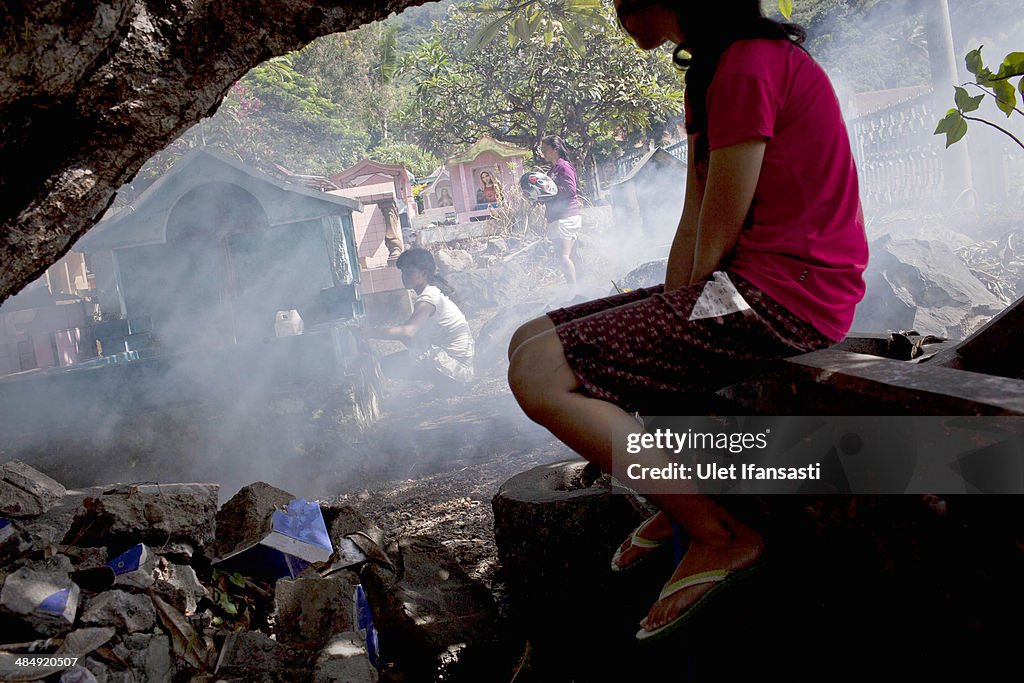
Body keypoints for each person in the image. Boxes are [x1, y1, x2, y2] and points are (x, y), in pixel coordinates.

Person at [507, 0, 868, 642]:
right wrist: (671, 306)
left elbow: (721, 228)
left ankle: (717, 532)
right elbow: (696, 206)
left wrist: (680, 305)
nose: (617, 11)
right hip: (748, 286)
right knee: (527, 340)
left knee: (539, 374)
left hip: (788, 297)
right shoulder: (715, 69)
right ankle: (687, 494)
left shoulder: (748, 66)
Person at [360, 249, 474, 394]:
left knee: (389, 365)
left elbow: (408, 331)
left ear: (424, 274)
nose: (404, 277)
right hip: (460, 365)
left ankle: (449, 385)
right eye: (403, 272)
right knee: (410, 342)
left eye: (410, 272)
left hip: (458, 369)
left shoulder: (428, 298)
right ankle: (445, 384)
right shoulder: (433, 292)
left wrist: (368, 333)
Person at [538, 135, 582, 287]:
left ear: (555, 149)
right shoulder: (553, 170)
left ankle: (574, 293)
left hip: (565, 216)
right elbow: (550, 193)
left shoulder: (563, 167)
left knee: (563, 257)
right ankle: (578, 290)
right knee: (566, 256)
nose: (543, 152)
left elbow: (570, 190)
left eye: (545, 149)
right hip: (557, 217)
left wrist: (550, 192)